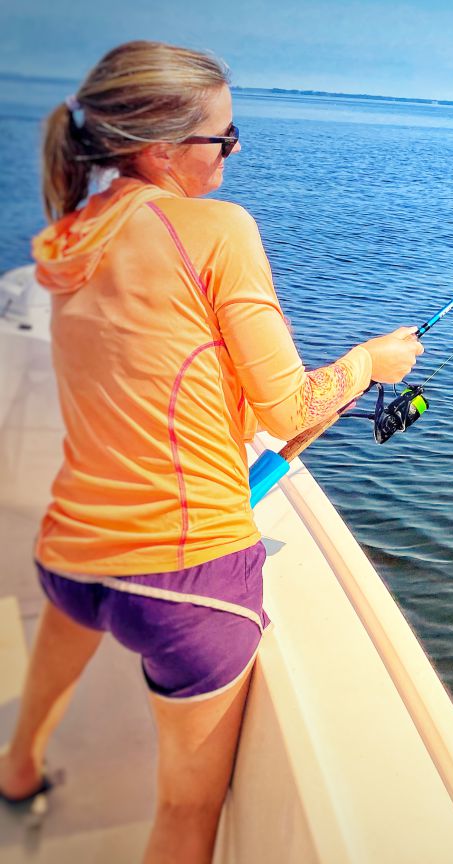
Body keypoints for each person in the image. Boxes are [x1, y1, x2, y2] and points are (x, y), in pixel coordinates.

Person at [0, 40, 423, 862]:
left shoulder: (73, 233)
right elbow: (287, 404)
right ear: (162, 150)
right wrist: (372, 363)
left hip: (73, 552)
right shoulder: (220, 229)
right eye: (224, 138)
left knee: (76, 604)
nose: (236, 150)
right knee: (187, 811)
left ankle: (17, 769)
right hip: (189, 584)